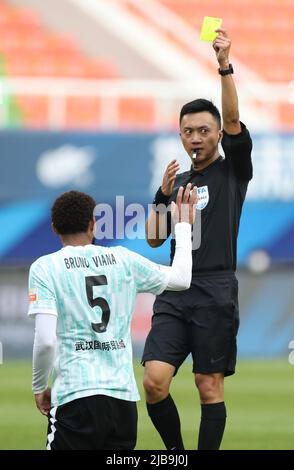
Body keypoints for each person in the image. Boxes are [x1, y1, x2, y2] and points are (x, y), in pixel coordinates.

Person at [142, 28, 253, 450]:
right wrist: (161, 196)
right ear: (180, 134)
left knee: (209, 386)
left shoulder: (233, 171)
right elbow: (154, 240)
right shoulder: (179, 180)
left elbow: (234, 120)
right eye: (188, 131)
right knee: (154, 381)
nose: (195, 137)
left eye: (204, 130)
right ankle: (176, 455)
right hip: (175, 287)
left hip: (215, 289)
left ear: (217, 134)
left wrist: (223, 66)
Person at [28, 186, 197, 450]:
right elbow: (182, 279)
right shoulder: (123, 259)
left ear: (54, 228)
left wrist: (39, 386)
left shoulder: (45, 267)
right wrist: (184, 226)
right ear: (93, 224)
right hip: (122, 398)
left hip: (75, 394)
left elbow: (46, 340)